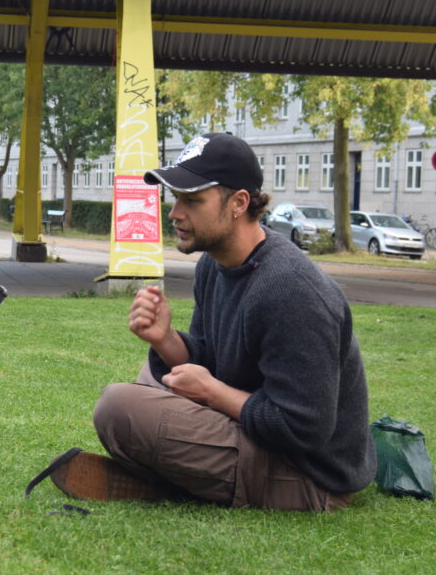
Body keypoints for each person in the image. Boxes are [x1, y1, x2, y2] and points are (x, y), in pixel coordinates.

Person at [51, 132, 375, 512]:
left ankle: (167, 481)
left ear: (238, 203)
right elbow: (215, 360)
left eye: (192, 200)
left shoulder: (292, 291)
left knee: (119, 406)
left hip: (310, 475)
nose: (174, 213)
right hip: (259, 434)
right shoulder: (214, 264)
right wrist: (166, 340)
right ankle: (178, 473)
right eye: (175, 199)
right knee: (150, 376)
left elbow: (303, 428)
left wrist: (213, 392)